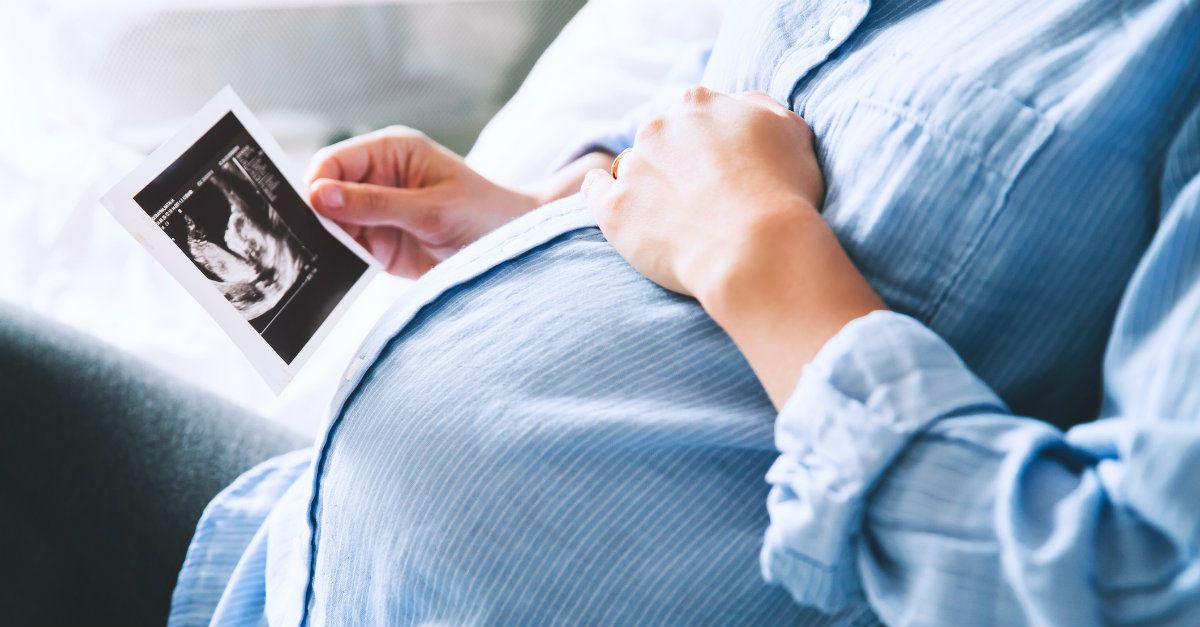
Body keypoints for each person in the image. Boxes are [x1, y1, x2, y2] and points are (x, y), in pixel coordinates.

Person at [1, 2, 1196, 626]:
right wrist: (549, 221)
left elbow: (1133, 582)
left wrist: (753, 243)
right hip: (295, 561)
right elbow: (783, 189)